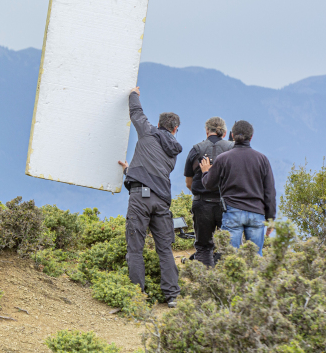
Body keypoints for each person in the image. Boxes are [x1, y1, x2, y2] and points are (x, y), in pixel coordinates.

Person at [117, 86, 182, 308]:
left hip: (140, 197)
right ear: (175, 129)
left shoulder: (148, 132)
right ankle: (172, 296)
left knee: (135, 248)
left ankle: (138, 297)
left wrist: (133, 93)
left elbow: (136, 113)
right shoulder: (174, 153)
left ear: (160, 124)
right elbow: (155, 170)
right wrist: (131, 169)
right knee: (165, 249)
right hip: (162, 202)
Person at [199, 120, 276, 254]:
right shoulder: (262, 159)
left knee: (232, 258)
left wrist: (206, 171)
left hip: (232, 211)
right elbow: (269, 192)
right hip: (256, 213)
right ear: (251, 137)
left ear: (232, 135)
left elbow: (209, 184)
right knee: (255, 258)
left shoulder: (223, 158)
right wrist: (270, 219)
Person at [184, 117, 234, 266]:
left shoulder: (196, 149)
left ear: (207, 131)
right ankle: (226, 281)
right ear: (224, 133)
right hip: (226, 204)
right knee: (228, 247)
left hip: (202, 203)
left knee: (204, 247)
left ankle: (205, 281)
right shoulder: (232, 149)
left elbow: (189, 182)